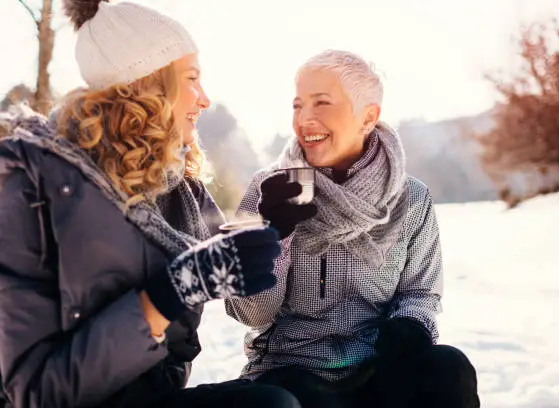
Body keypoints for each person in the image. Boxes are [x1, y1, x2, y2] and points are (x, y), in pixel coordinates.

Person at [0, 1, 300, 408]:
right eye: (191, 79)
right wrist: (171, 291)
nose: (205, 98)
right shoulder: (33, 179)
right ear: (146, 84)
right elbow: (36, 393)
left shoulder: (176, 185)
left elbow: (220, 259)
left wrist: (268, 226)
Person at [226, 50, 480, 408]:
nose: (304, 119)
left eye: (322, 103)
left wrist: (409, 329)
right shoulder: (268, 190)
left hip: (378, 369)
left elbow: (421, 292)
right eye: (298, 105)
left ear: (368, 117)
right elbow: (249, 313)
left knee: (448, 368)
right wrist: (272, 236)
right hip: (291, 370)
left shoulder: (411, 198)